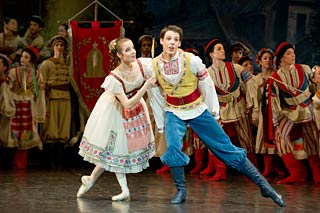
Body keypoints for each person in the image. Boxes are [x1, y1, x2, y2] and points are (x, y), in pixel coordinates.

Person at [145, 25, 285, 207]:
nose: (172, 42)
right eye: (169, 39)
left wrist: (214, 112)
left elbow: (207, 86)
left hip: (197, 108)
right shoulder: (154, 65)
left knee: (226, 148)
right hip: (173, 110)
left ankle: (264, 186)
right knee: (172, 149)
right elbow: (156, 95)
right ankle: (181, 189)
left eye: (176, 40)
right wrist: (161, 123)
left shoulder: (191, 60)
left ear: (179, 43)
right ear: (162, 41)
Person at [76, 37, 156, 201]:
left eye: (132, 48)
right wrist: (146, 87)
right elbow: (126, 104)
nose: (132, 52)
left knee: (112, 151)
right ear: (119, 55)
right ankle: (124, 190)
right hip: (117, 112)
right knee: (117, 149)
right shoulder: (114, 78)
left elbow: (158, 68)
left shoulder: (142, 65)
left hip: (137, 111)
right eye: (127, 50)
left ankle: (91, 179)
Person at [201, 38, 257, 181]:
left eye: (222, 48)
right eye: (219, 49)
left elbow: (251, 82)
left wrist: (252, 104)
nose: (223, 51)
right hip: (220, 111)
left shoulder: (236, 68)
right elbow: (203, 94)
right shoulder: (206, 74)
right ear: (211, 54)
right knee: (217, 141)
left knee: (246, 141)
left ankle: (250, 172)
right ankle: (220, 170)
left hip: (238, 108)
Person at [269, 42, 320, 184]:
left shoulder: (304, 69)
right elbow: (275, 102)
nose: (293, 56)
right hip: (290, 112)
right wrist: (276, 119)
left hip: (308, 108)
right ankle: (297, 172)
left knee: (313, 139)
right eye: (289, 53)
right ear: (281, 58)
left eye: (293, 53)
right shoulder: (275, 78)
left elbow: (314, 84)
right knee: (280, 136)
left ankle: (317, 174)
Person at [7, 47, 46, 169]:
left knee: (25, 133)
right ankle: (9, 160)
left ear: (32, 61)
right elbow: (7, 89)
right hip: (14, 106)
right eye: (22, 56)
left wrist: (40, 110)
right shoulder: (13, 72)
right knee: (12, 132)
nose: (23, 59)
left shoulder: (36, 75)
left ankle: (20, 162)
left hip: (28, 106)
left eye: (26, 57)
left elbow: (39, 93)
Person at [249, 48, 285, 179]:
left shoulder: (278, 76)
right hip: (264, 113)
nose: (268, 61)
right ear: (259, 61)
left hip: (276, 112)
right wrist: (256, 111)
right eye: (265, 58)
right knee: (264, 138)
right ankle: (267, 166)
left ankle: (277, 166)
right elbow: (254, 98)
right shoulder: (256, 79)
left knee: (277, 138)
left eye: (270, 58)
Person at [39, 35, 73, 169]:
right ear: (53, 47)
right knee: (51, 128)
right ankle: (48, 160)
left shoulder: (68, 64)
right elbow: (42, 84)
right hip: (52, 98)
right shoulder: (46, 64)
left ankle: (59, 160)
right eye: (57, 45)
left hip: (65, 97)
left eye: (62, 45)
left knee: (63, 129)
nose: (59, 47)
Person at [0, 53, 16, 169]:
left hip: (3, 113)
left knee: (4, 136)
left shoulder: (6, 83)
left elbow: (6, 101)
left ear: (5, 67)